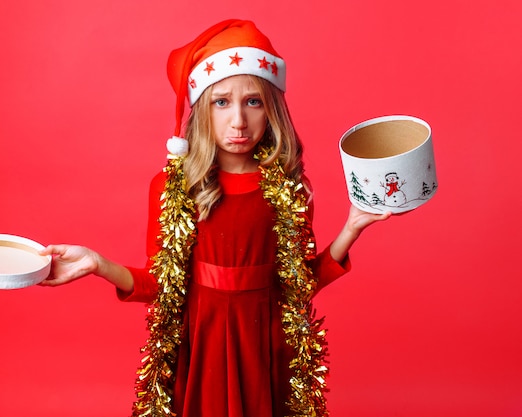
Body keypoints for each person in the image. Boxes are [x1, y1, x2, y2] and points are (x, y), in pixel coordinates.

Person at [39, 19, 391, 417]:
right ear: (202, 108)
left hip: (268, 344)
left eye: (253, 101)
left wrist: (351, 228)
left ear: (271, 108)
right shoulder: (173, 187)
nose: (238, 120)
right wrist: (97, 264)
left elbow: (298, 284)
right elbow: (162, 287)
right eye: (221, 102)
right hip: (202, 342)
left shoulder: (290, 188)